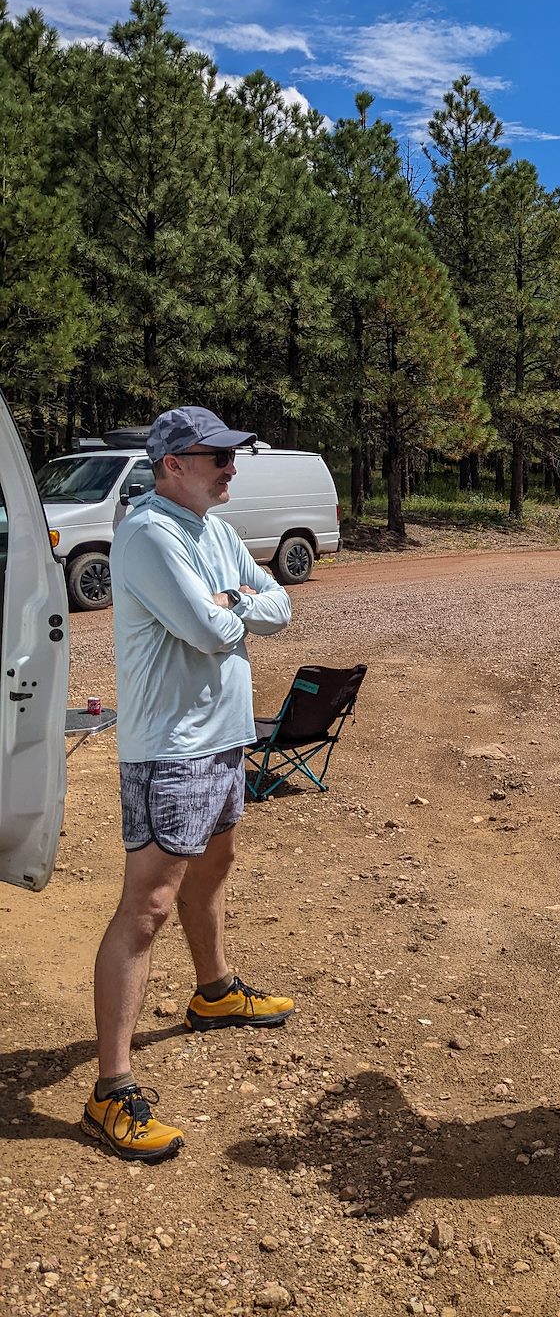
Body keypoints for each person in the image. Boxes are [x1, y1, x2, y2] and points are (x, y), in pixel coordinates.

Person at [83, 406, 295, 1162]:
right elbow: (211, 631)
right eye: (217, 458)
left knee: (216, 867)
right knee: (147, 907)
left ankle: (213, 990)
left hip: (221, 738)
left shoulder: (215, 529)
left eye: (232, 457)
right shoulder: (148, 532)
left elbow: (281, 606)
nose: (232, 468)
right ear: (173, 463)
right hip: (170, 751)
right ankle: (112, 1089)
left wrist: (234, 603)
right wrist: (240, 607)